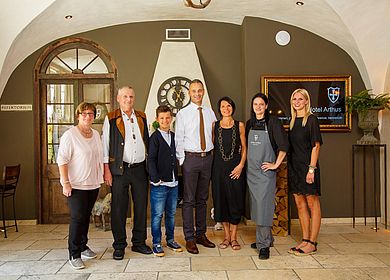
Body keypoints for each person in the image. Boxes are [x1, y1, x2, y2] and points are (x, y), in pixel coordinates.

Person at [102, 85, 152, 260]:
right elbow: (105, 146)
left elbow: (146, 141)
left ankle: (139, 243)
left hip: (139, 169)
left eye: (131, 97)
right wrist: (106, 170)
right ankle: (119, 246)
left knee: (140, 208)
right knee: (119, 209)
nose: (128, 100)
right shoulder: (110, 118)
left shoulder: (142, 117)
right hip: (119, 170)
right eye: (125, 97)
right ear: (118, 98)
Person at [57, 102, 103, 269]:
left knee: (85, 217)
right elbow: (62, 160)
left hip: (93, 183)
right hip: (76, 185)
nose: (87, 116)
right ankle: (74, 253)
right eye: (84, 113)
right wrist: (65, 183)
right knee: (77, 218)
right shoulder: (70, 135)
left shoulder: (96, 134)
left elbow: (99, 156)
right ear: (78, 116)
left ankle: (83, 246)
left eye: (90, 113)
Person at [175, 79, 217, 254]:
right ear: (189, 93)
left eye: (200, 91)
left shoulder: (210, 112)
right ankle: (190, 238)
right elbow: (178, 138)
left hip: (207, 159)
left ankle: (201, 234)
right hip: (190, 160)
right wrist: (183, 161)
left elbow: (214, 134)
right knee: (189, 200)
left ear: (203, 92)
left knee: (202, 199)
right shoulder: (183, 114)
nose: (197, 94)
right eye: (194, 91)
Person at [246, 93, 289, 260]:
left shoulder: (273, 123)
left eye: (261, 104)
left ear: (266, 106)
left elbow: (283, 146)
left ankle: (263, 246)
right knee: (257, 208)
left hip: (265, 173)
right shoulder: (250, 123)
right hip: (252, 173)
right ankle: (266, 239)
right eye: (255, 104)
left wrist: (276, 164)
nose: (258, 107)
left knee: (263, 208)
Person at [287, 88, 322, 256]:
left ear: (307, 101)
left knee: (312, 204)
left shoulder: (312, 120)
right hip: (295, 168)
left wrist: (311, 169)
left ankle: (313, 243)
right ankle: (305, 239)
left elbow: (316, 146)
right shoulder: (293, 122)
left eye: (300, 99)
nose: (297, 102)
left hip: (309, 168)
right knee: (300, 205)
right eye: (294, 99)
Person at [211, 96, 246, 250]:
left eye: (229, 106)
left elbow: (244, 148)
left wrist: (241, 166)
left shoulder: (240, 125)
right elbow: (212, 147)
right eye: (223, 106)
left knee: (235, 202)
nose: (226, 108)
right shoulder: (214, 126)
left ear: (233, 107)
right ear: (219, 109)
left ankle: (234, 238)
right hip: (218, 170)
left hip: (235, 170)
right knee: (222, 202)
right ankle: (226, 237)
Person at [148, 105, 183, 257]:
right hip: (160, 184)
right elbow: (151, 160)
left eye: (167, 117)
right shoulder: (154, 138)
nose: (165, 120)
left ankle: (170, 239)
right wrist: (156, 179)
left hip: (174, 183)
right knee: (157, 215)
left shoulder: (175, 136)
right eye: (162, 118)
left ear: (171, 119)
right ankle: (156, 242)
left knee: (171, 214)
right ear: (157, 120)